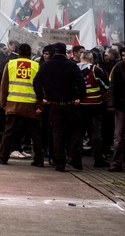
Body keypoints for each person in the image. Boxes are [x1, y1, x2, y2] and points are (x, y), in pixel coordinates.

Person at [34, 42, 86, 172]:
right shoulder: (71, 65)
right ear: (65, 52)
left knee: (57, 133)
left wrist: (42, 97)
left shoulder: (46, 65)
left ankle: (59, 162)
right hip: (70, 104)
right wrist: (80, 97)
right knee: (76, 130)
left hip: (54, 105)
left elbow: (37, 82)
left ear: (53, 52)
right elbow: (81, 82)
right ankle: (73, 156)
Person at [0, 44, 44, 166]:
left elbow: (4, 86)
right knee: (35, 134)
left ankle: (3, 157)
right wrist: (40, 105)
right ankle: (39, 159)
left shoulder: (10, 64)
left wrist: (3, 103)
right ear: (30, 53)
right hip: (30, 105)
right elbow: (41, 87)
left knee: (8, 132)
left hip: (13, 103)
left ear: (18, 52)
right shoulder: (36, 66)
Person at [77, 51, 110, 168]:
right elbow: (106, 87)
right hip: (95, 107)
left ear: (81, 59)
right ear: (91, 60)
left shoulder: (74, 70)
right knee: (96, 133)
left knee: (78, 134)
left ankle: (75, 159)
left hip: (79, 107)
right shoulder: (95, 70)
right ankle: (98, 159)